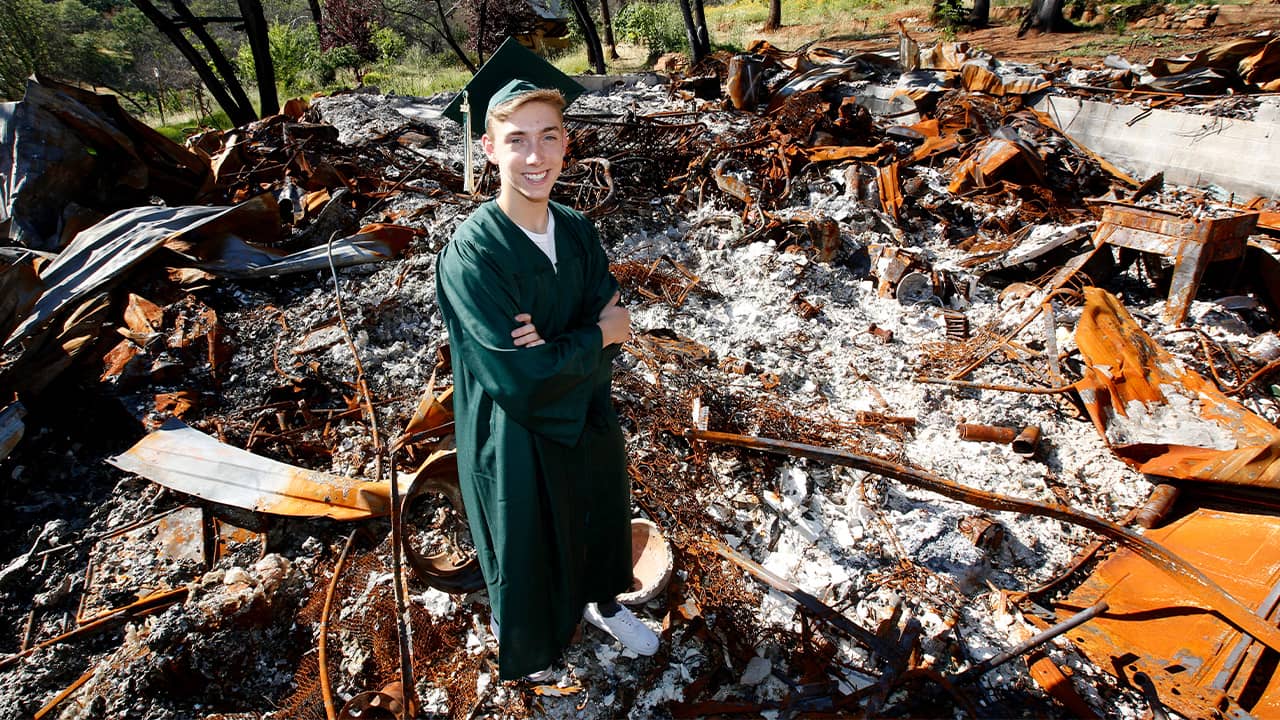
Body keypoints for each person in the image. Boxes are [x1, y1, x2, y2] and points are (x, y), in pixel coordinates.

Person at [435, 38, 659, 682]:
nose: (535, 156)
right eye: (517, 140)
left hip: (585, 408)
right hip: (513, 430)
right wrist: (592, 337)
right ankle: (528, 635)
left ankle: (601, 603)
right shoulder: (473, 255)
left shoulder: (577, 228)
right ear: (489, 148)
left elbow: (607, 309)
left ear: (566, 144)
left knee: (596, 506)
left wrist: (563, 341)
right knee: (524, 535)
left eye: (549, 137)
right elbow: (520, 374)